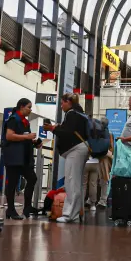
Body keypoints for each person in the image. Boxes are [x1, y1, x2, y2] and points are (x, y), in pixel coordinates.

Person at [51, 93, 89, 223]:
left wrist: (54, 129)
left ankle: (68, 214)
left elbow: (67, 133)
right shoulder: (80, 113)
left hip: (75, 150)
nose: (61, 106)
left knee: (71, 182)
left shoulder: (72, 114)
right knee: (77, 183)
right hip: (81, 149)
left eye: (62, 103)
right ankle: (77, 212)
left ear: (69, 102)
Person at [2, 99, 41, 220]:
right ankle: (11, 209)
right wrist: (26, 136)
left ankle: (27, 207)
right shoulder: (13, 119)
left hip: (24, 158)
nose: (30, 110)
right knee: (12, 183)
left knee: (32, 178)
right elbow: (9, 135)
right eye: (29, 107)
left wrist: (33, 142)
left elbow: (24, 138)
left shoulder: (25, 122)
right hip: (14, 157)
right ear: (21, 107)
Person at [96, 117, 114, 209]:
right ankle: (101, 200)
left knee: (104, 180)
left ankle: (103, 200)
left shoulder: (108, 134)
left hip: (104, 159)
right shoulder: (99, 133)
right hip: (99, 158)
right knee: (100, 180)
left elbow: (111, 147)